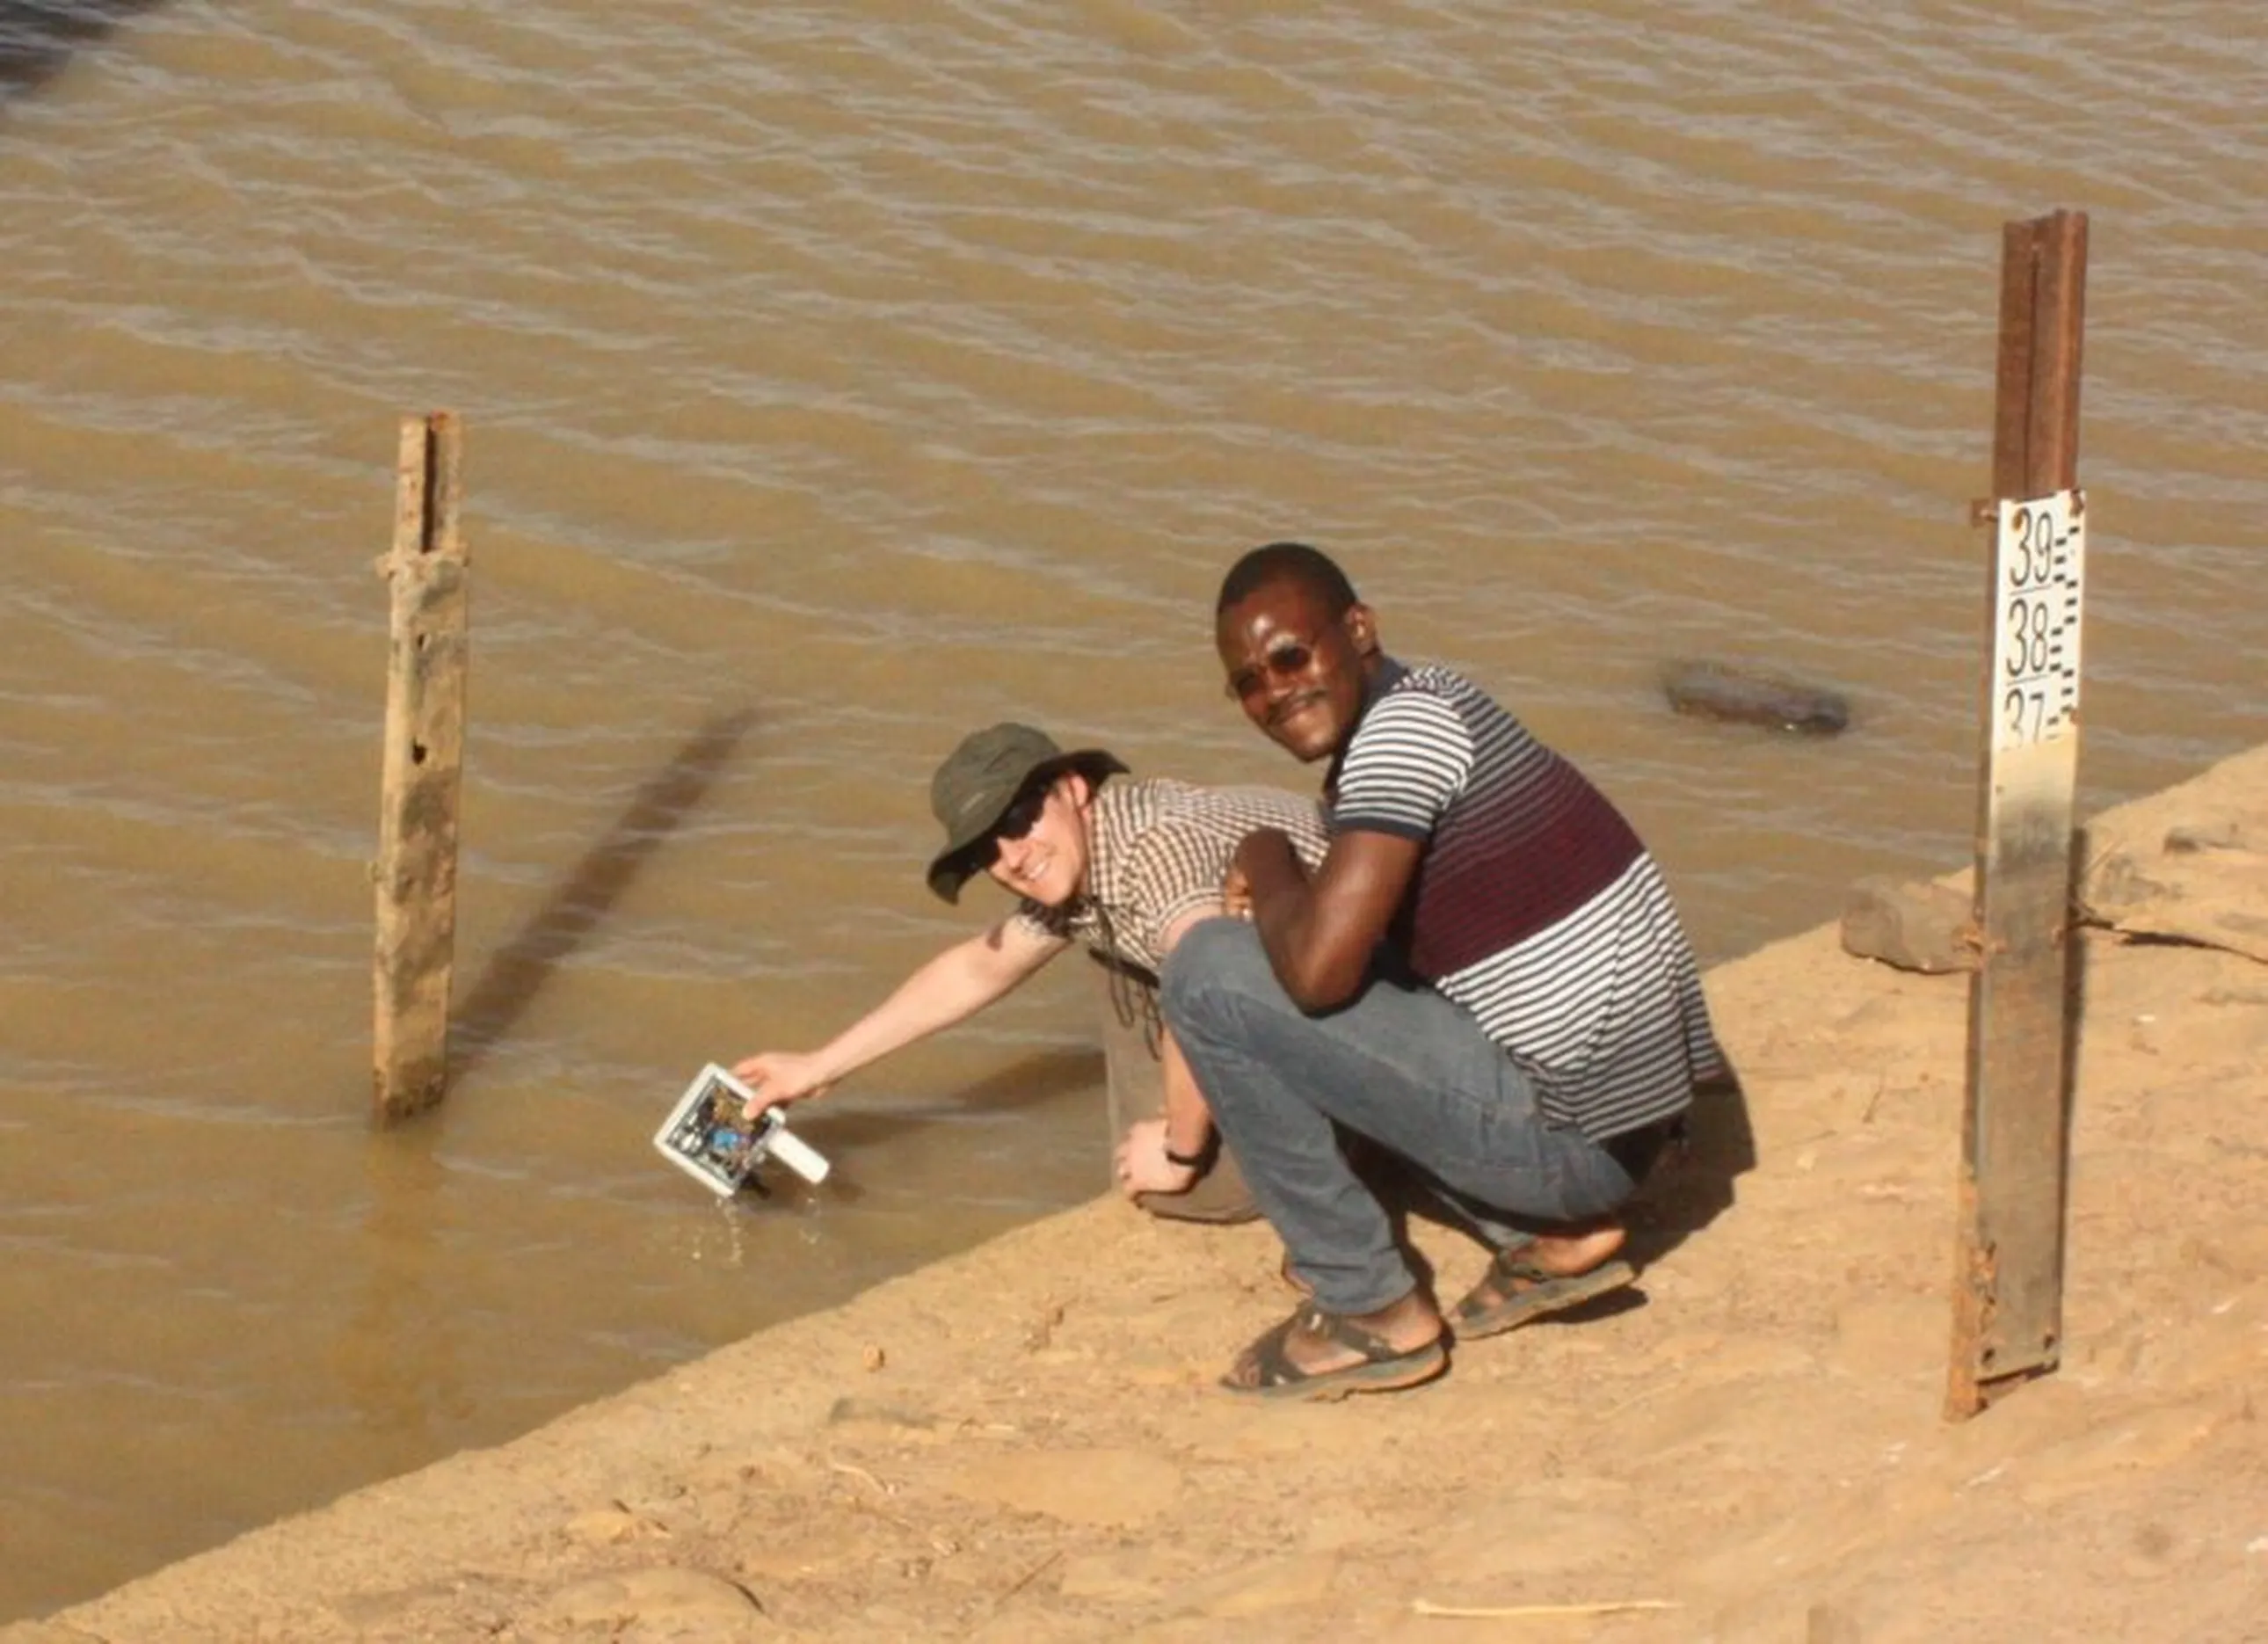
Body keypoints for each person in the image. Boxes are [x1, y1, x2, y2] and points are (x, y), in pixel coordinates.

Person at [1160, 542, 1726, 1400]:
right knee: (1345, 979)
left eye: (1290, 656)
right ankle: (1545, 1232)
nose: (1274, 692)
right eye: (1247, 682)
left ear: (1358, 629)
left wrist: (1263, 851)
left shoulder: (1399, 741)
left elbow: (1314, 976)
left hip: (1576, 1143)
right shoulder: (1437, 703)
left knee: (1207, 969)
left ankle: (1369, 1307)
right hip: (1625, 1126)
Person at [732, 721, 1330, 1222]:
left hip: (1366, 988)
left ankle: (1318, 1148)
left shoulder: (1152, 851)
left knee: (1194, 1196)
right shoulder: (1085, 861)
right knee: (1108, 946)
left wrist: (1179, 1152)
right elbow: (980, 967)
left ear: (1072, 788)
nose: (1012, 856)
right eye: (987, 849)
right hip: (1280, 970)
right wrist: (818, 1065)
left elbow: (1205, 983)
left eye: (1019, 819)